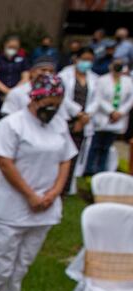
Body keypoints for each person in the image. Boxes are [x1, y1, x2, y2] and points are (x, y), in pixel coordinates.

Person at [0, 74, 77, 291]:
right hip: (12, 208)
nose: (53, 107)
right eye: (49, 101)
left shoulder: (59, 125)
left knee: (22, 265)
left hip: (45, 209)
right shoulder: (12, 124)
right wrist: (31, 195)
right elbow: (5, 162)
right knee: (1, 265)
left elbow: (66, 160)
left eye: (58, 102)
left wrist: (54, 192)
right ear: (36, 98)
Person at [85, 57, 133, 175]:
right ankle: (90, 170)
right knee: (95, 145)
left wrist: (120, 112)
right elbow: (98, 99)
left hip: (118, 119)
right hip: (103, 117)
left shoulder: (128, 81)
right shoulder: (102, 80)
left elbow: (130, 99)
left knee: (107, 147)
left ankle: (102, 170)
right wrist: (111, 111)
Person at [59, 47, 97, 188]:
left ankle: (68, 185)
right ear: (76, 59)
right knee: (62, 152)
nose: (87, 63)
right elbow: (63, 97)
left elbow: (96, 100)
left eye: (90, 60)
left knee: (75, 153)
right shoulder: (64, 75)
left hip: (85, 121)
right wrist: (78, 113)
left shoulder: (94, 78)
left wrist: (85, 115)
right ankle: (58, 183)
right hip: (68, 118)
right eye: (84, 59)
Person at [0, 35, 30, 101]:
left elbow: (25, 78)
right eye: (10, 47)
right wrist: (7, 91)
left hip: (17, 95)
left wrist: (13, 92)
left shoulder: (23, 60)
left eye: (15, 47)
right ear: (5, 45)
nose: (12, 49)